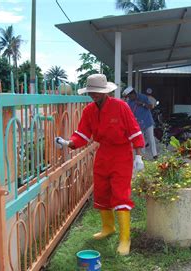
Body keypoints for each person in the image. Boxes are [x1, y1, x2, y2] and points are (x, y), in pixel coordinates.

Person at [55, 74, 145, 256]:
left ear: (105, 92)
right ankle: (108, 228)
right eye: (91, 91)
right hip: (103, 153)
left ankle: (125, 239)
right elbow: (82, 135)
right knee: (102, 190)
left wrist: (139, 156)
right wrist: (66, 143)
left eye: (96, 91)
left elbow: (134, 131)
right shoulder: (89, 111)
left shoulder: (120, 106)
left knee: (120, 194)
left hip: (121, 154)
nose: (93, 94)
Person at [123, 87, 158, 160]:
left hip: (147, 121)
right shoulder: (130, 102)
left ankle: (155, 155)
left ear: (133, 93)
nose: (129, 98)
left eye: (129, 96)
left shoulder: (143, 97)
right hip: (138, 124)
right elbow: (129, 113)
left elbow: (151, 106)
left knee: (151, 138)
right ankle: (143, 156)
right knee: (141, 140)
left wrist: (142, 104)